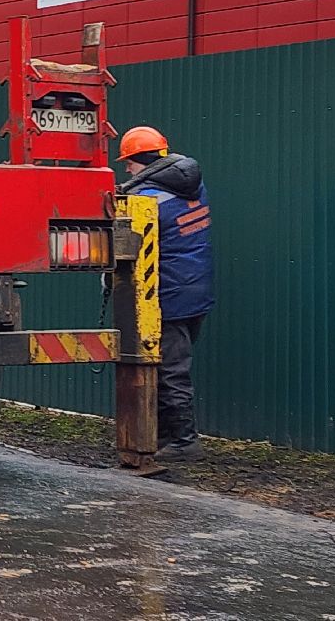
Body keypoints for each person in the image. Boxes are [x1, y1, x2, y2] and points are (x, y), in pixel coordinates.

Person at [118, 125, 215, 463]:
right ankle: (162, 435)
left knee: (170, 369)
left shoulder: (147, 201)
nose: (127, 169)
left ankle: (185, 442)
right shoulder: (194, 185)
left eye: (129, 163)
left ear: (142, 161)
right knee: (169, 365)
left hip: (169, 294)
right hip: (197, 290)